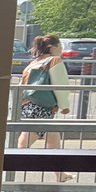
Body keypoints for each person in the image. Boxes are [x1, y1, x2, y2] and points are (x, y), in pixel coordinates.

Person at [16, 33, 72, 182]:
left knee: (52, 139)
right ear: (52, 47)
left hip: (29, 105)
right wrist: (64, 105)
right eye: (60, 46)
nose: (61, 49)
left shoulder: (33, 63)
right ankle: (5, 167)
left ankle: (60, 174)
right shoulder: (54, 61)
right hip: (43, 108)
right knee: (25, 142)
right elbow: (59, 85)